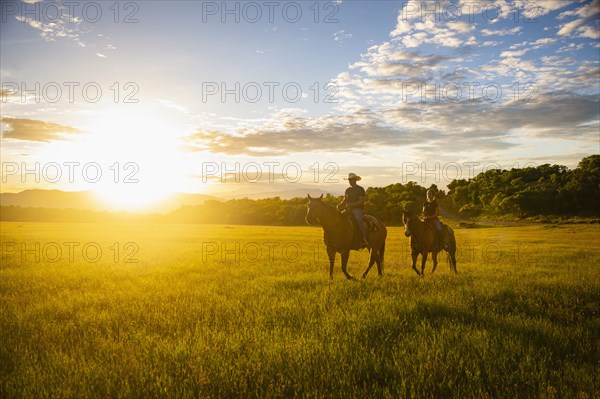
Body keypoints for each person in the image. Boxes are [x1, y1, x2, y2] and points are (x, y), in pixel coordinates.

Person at [339, 173, 368, 247]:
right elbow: (345, 199)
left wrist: (351, 205)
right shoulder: (348, 190)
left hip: (357, 209)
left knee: (358, 220)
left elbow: (361, 201)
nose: (350, 181)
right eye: (349, 180)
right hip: (348, 209)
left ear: (355, 180)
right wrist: (340, 204)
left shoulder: (360, 189)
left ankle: (364, 238)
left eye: (351, 180)